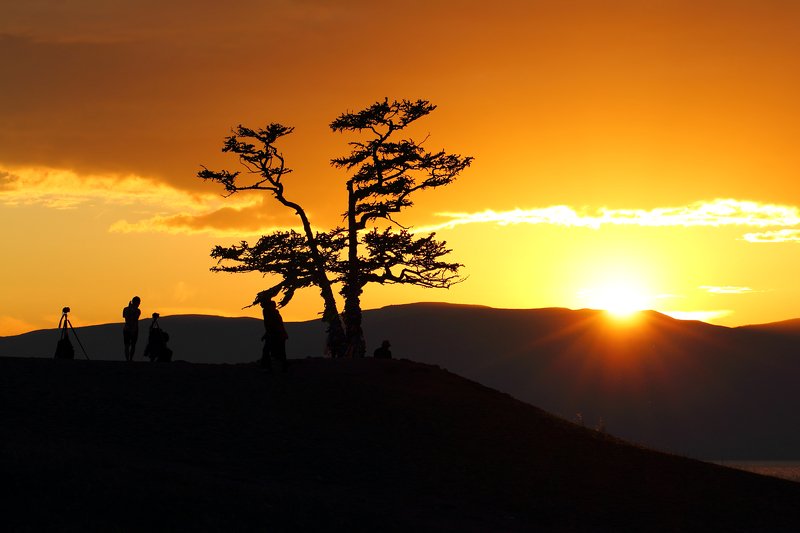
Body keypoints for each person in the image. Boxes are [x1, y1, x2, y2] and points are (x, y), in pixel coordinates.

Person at [260, 297, 288, 372]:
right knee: (277, 351)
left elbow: (272, 326)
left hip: (276, 335)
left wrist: (268, 335)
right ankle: (279, 368)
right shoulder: (271, 312)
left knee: (273, 351)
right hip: (277, 335)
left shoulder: (270, 313)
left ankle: (272, 368)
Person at [122, 296, 141, 362]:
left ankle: (129, 359)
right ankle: (128, 359)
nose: (139, 304)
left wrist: (130, 309)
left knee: (131, 345)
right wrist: (130, 309)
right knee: (129, 345)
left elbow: (134, 317)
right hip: (131, 329)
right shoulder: (127, 309)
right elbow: (126, 317)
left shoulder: (137, 310)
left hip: (130, 329)